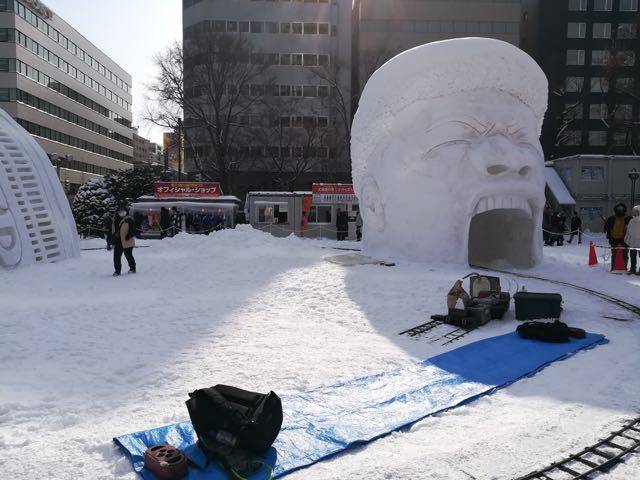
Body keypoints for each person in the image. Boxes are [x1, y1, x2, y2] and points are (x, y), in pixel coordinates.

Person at [604, 203, 631, 271]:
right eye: (619, 209)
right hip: (615, 239)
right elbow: (606, 228)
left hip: (624, 240)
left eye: (621, 209)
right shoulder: (612, 218)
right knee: (615, 254)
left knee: (623, 254)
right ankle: (614, 267)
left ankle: (623, 267)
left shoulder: (628, 218)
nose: (620, 210)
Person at [112, 204, 136, 276]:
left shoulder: (129, 220)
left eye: (123, 211)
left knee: (128, 255)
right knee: (116, 256)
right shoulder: (115, 220)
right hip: (118, 241)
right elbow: (112, 231)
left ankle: (132, 268)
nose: (122, 213)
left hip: (127, 240)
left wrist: (129, 235)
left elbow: (133, 230)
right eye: (120, 212)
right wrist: (111, 241)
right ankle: (117, 271)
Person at [624, 206, 640, 275]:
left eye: (636, 211)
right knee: (632, 257)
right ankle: (632, 269)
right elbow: (628, 231)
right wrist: (627, 239)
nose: (634, 213)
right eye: (634, 211)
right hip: (632, 243)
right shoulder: (631, 221)